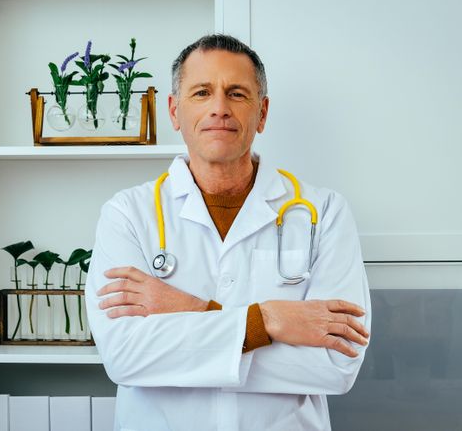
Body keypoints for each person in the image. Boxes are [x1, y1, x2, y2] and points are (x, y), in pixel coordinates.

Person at [84, 34, 371, 431]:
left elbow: (338, 363)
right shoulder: (127, 215)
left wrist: (191, 311)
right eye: (202, 92)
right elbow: (126, 357)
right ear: (174, 111)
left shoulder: (325, 213)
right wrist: (269, 321)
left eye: (237, 93)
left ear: (263, 112)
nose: (219, 108)